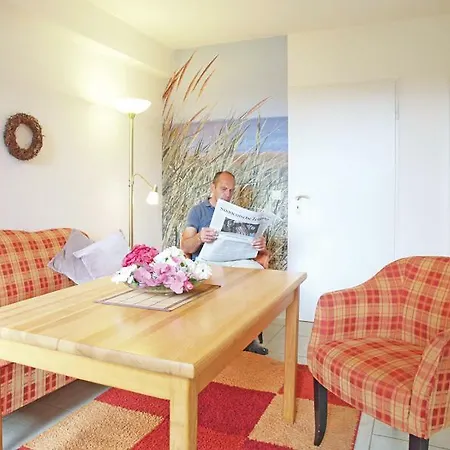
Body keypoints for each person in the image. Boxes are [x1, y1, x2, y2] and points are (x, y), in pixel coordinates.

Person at [181, 171, 269, 355]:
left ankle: (249, 337)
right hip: (207, 262)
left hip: (235, 261)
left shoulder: (235, 212)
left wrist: (259, 244)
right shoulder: (198, 211)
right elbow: (186, 246)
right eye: (223, 189)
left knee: (258, 275)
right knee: (228, 282)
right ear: (212, 187)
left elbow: (248, 244)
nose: (228, 194)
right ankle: (222, 338)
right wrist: (199, 237)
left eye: (231, 190)